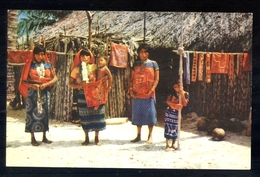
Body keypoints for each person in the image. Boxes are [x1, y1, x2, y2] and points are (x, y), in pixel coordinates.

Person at [19, 46, 58, 146]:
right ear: (34, 54)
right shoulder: (29, 65)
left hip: (45, 91)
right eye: (38, 54)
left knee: (45, 113)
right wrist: (33, 85)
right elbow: (23, 81)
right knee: (32, 113)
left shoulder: (48, 65)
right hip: (33, 92)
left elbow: (55, 78)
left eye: (42, 54)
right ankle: (33, 138)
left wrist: (46, 84)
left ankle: (44, 136)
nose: (40, 56)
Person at [69, 48, 106, 146]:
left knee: (97, 115)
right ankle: (86, 138)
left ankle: (97, 138)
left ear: (90, 57)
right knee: (85, 116)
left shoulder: (94, 67)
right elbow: (70, 83)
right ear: (79, 57)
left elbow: (101, 78)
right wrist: (78, 85)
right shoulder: (76, 69)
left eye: (87, 56)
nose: (85, 58)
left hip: (94, 94)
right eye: (82, 56)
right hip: (82, 95)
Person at [129, 44, 159, 144]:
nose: (143, 54)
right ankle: (138, 135)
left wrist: (152, 90)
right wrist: (131, 90)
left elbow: (156, 79)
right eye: (141, 52)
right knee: (138, 114)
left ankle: (150, 136)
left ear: (148, 53)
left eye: (145, 52)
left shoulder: (153, 63)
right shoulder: (136, 64)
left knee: (150, 114)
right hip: (137, 94)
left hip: (149, 94)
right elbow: (131, 78)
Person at [164, 78, 189, 151]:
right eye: (175, 87)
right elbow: (168, 101)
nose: (176, 88)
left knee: (175, 127)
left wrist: (181, 93)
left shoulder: (186, 94)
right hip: (170, 111)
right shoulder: (172, 92)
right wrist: (175, 105)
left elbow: (184, 104)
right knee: (168, 127)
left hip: (177, 113)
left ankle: (174, 143)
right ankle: (167, 144)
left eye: (177, 86)